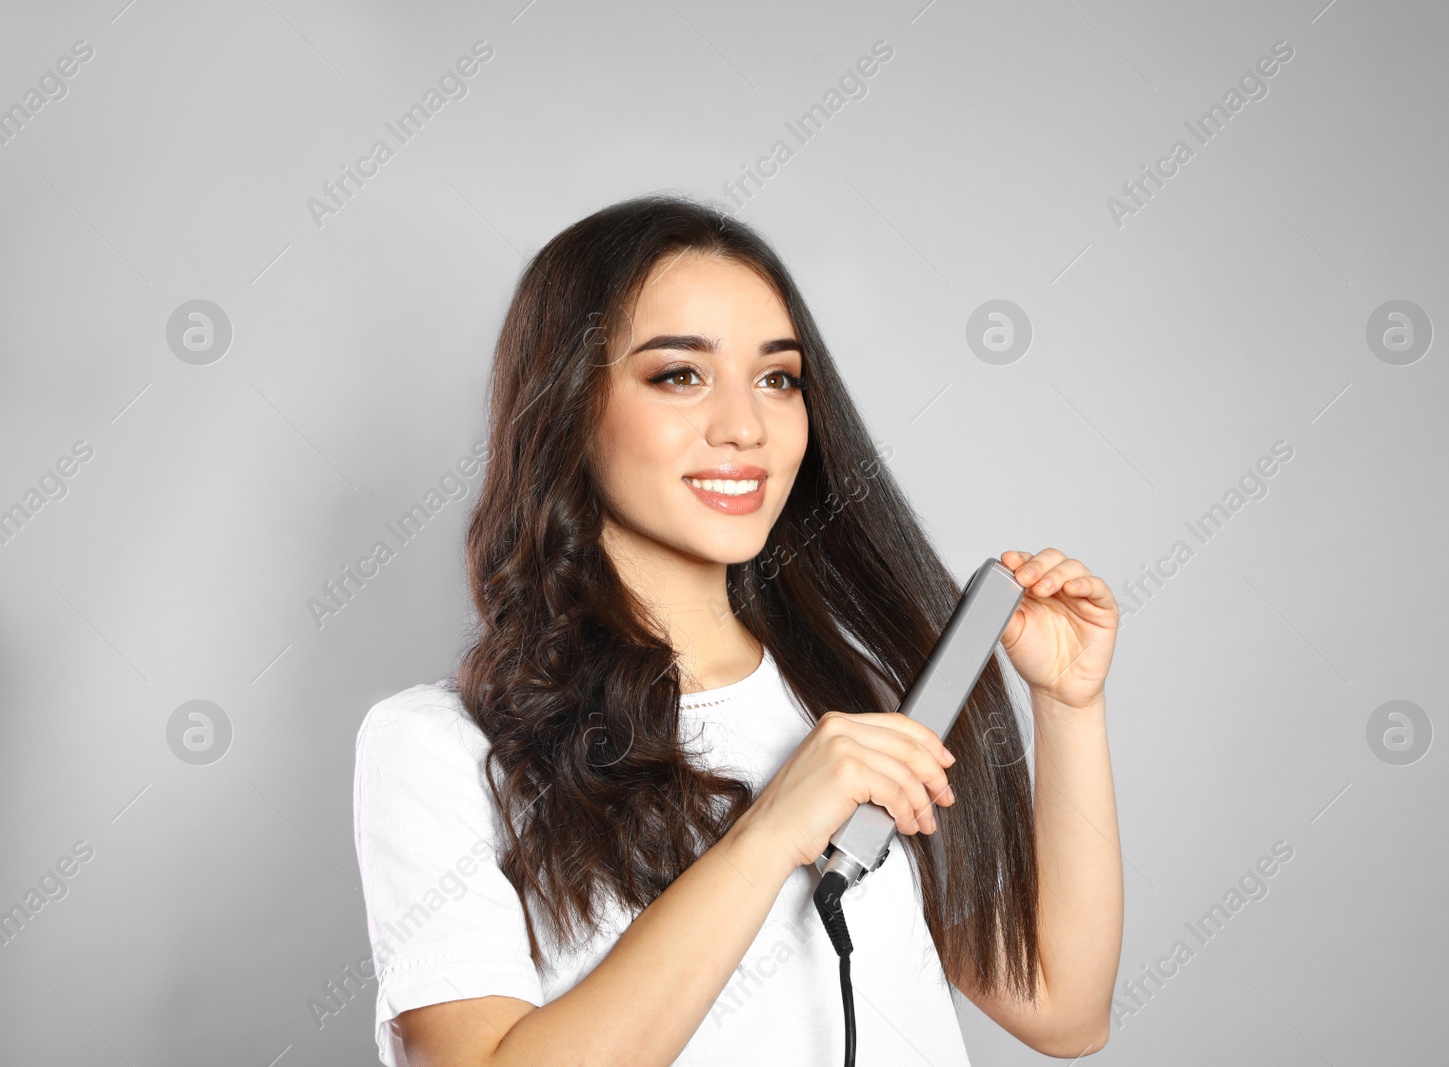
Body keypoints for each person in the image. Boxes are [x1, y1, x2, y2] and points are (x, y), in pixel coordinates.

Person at [351, 193, 1124, 1066]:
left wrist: (1068, 706)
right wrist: (768, 833)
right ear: (568, 406)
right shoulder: (439, 747)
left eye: (778, 377)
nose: (744, 427)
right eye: (679, 374)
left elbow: (1065, 1011)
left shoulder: (854, 707)